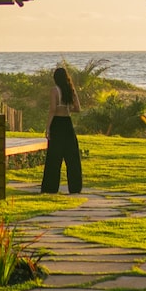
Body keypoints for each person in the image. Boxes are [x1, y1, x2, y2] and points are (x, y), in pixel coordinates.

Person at [41, 64, 83, 195]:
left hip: (57, 123)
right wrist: (67, 108)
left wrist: (48, 127)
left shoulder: (55, 90)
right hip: (68, 123)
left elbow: (52, 110)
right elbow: (78, 108)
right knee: (72, 157)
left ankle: (50, 187)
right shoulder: (70, 90)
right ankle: (75, 187)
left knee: (54, 156)